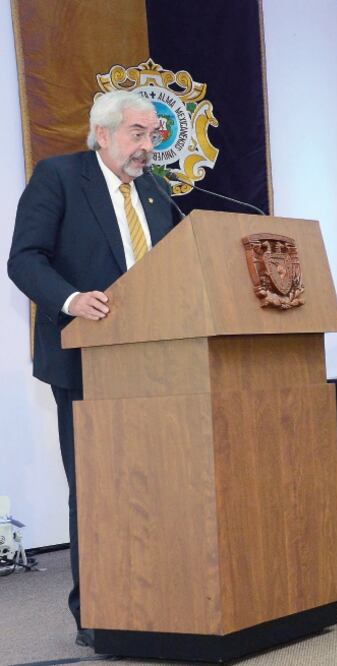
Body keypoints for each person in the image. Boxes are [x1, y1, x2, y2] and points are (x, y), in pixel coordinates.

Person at [7, 90, 179, 647]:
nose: (147, 147)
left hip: (157, 363)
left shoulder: (154, 189)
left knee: (158, 485)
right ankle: (99, 614)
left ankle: (163, 598)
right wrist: (71, 299)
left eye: (152, 135)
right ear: (101, 133)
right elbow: (25, 257)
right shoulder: (58, 177)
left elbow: (179, 262)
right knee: (98, 488)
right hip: (85, 360)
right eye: (137, 133)